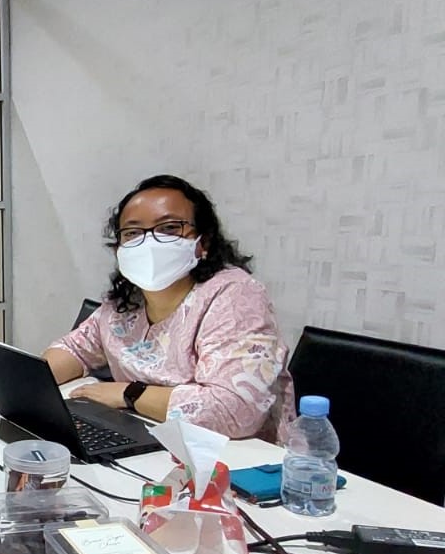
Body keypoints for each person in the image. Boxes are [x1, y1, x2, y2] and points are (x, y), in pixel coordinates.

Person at [44, 174, 294, 441]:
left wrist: (130, 394)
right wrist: (32, 382)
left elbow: (233, 411)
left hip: (230, 453)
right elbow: (74, 349)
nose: (149, 242)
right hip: (145, 436)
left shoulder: (235, 297)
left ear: (203, 242)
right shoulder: (127, 302)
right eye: (133, 233)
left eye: (169, 228)